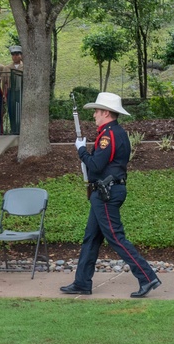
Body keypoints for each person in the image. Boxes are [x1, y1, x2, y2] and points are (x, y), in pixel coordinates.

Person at [61, 92, 161, 298]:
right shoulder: (117, 132)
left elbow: (96, 165)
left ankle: (147, 276)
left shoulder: (107, 135)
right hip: (106, 190)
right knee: (91, 238)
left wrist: (81, 151)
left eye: (97, 111)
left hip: (106, 192)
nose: (94, 115)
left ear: (106, 113)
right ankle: (82, 282)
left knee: (116, 237)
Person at [6, 45, 23, 134]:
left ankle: (20, 129)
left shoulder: (24, 66)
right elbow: (4, 82)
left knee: (21, 111)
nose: (15, 56)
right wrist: (5, 95)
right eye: (13, 54)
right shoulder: (7, 67)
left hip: (21, 91)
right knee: (11, 111)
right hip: (11, 92)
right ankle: (13, 129)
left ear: (21, 55)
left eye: (17, 54)